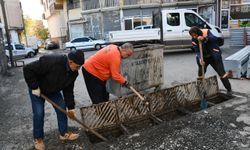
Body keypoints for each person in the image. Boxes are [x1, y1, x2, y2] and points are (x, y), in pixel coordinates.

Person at [23, 50, 85, 150]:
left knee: (62, 109)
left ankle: (63, 133)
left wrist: (71, 107)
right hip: (38, 90)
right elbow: (27, 69)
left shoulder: (74, 73)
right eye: (77, 66)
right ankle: (38, 138)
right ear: (70, 62)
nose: (78, 69)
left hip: (53, 91)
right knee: (39, 113)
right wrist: (34, 87)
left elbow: (68, 90)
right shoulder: (51, 61)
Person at [189, 26, 232, 96]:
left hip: (214, 56)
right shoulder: (193, 40)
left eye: (195, 35)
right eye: (192, 36)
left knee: (221, 73)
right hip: (204, 58)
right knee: (200, 74)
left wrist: (205, 38)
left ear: (198, 32)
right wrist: (200, 59)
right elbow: (197, 50)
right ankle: (201, 91)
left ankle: (229, 90)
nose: (194, 37)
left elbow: (214, 39)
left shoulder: (206, 32)